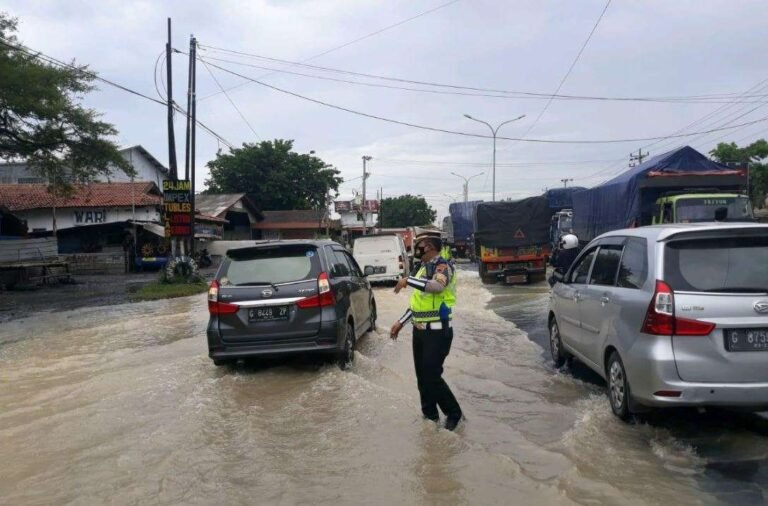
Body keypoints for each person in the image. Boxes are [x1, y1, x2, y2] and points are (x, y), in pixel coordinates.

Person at [390, 234, 463, 431]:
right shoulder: (422, 269)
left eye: (419, 245)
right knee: (422, 377)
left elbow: (437, 287)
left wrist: (408, 280)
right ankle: (430, 418)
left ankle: (454, 413)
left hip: (438, 333)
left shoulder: (443, 266)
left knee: (432, 375)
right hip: (420, 332)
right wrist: (401, 322)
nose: (416, 248)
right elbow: (418, 305)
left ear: (429, 246)